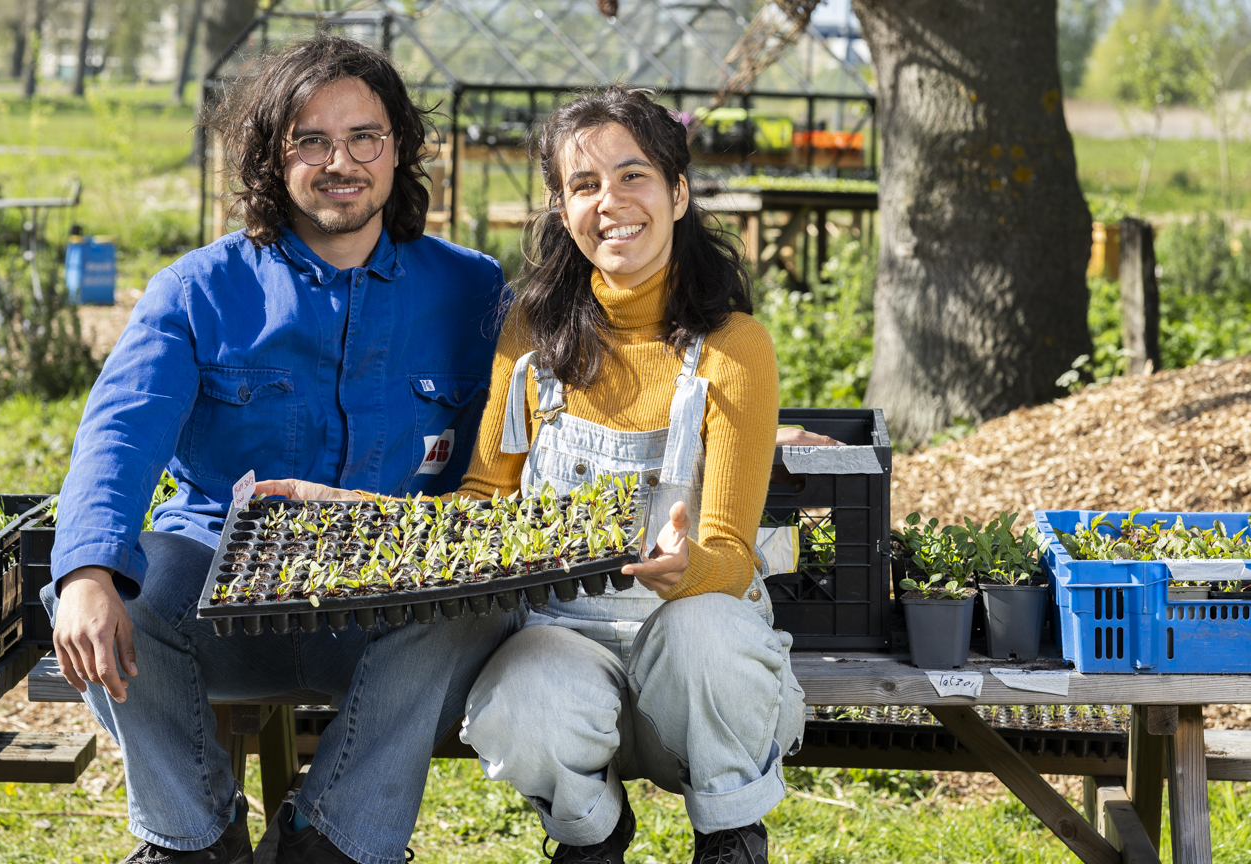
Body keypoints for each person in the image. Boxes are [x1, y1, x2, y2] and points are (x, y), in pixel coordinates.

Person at [266, 85, 805, 864]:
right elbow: (484, 504)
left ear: (678, 193)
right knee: (523, 701)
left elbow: (729, 553)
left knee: (706, 635)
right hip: (564, 634)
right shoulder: (531, 336)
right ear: (561, 207)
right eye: (583, 185)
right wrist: (350, 506)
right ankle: (590, 836)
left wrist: (688, 565)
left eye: (632, 176)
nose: (610, 202)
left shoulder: (734, 347)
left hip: (692, 665)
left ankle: (728, 834)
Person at [44, 36, 521, 864]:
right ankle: (194, 839)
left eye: (364, 137)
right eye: (311, 141)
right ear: (270, 155)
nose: (341, 163)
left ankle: (326, 841)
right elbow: (119, 430)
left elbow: (544, 419)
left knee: (478, 596)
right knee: (112, 588)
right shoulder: (198, 289)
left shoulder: (471, 288)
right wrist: (86, 571)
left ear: (398, 148)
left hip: (393, 620)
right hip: (221, 596)